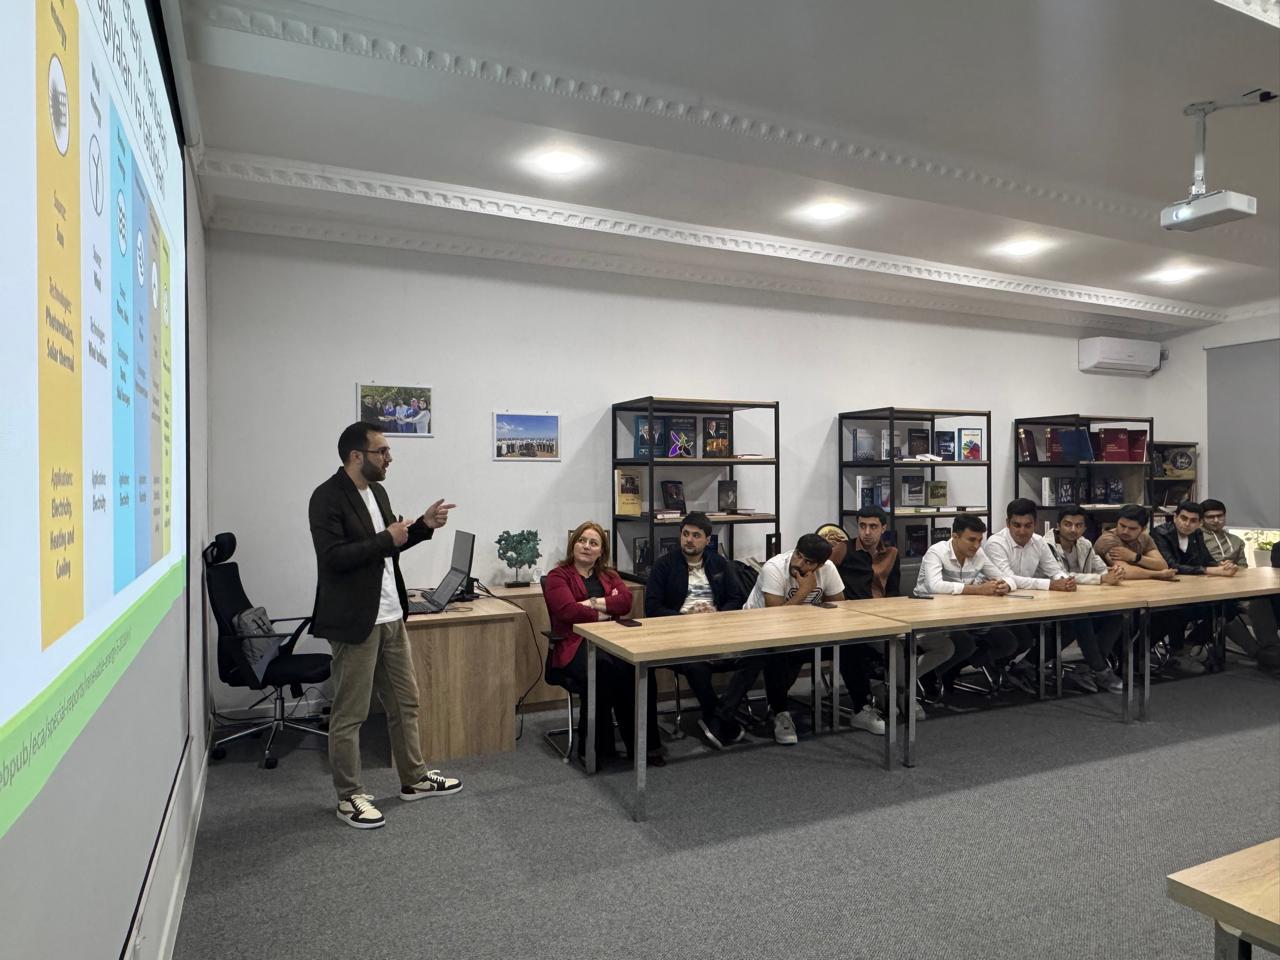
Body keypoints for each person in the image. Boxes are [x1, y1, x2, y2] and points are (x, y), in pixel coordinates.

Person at [308, 421, 461, 830]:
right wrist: (386, 538)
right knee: (350, 713)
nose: (389, 458)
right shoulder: (326, 497)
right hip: (355, 620)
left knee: (405, 703)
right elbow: (333, 558)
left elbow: (393, 542)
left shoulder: (377, 492)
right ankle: (349, 796)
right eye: (382, 452)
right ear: (356, 456)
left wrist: (423, 525)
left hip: (392, 615)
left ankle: (414, 779)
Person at [725, 534, 885, 743]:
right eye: (798, 555)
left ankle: (860, 708)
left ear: (820, 565)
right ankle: (780, 713)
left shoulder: (828, 569)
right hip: (761, 633)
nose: (799, 563)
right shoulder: (774, 568)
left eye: (808, 562)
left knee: (850, 645)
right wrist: (805, 591)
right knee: (777, 648)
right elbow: (775, 618)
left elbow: (839, 608)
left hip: (805, 632)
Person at [544, 521, 662, 765]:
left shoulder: (609, 575)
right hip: (574, 643)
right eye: (581, 540)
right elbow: (567, 611)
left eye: (593, 543)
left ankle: (644, 747)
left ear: (601, 552)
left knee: (639, 668)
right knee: (602, 670)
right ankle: (594, 748)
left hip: (612, 639)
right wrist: (603, 610)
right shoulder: (558, 576)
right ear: (573, 544)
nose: (586, 546)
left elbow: (625, 603)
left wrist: (591, 603)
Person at [819, 511, 951, 719]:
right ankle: (903, 696)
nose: (866, 532)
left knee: (945, 646)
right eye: (862, 526)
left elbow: (893, 593)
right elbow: (823, 576)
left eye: (872, 526)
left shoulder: (891, 554)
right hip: (856, 620)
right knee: (895, 647)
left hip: (887, 616)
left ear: (883, 528)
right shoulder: (844, 549)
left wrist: (898, 615)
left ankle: (891, 686)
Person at [644, 512, 747, 749]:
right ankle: (715, 715)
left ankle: (722, 714)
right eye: (685, 534)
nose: (689, 539)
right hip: (680, 633)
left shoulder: (719, 563)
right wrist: (685, 618)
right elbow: (652, 607)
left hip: (717, 630)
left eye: (696, 535)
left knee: (756, 656)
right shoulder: (664, 565)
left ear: (707, 540)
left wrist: (716, 615)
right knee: (696, 665)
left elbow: (736, 598)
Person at [913, 514, 1021, 694]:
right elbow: (935, 586)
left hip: (965, 616)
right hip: (931, 618)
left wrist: (1005, 585)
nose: (976, 545)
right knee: (966, 644)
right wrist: (978, 590)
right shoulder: (937, 552)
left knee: (1007, 641)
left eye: (980, 540)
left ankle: (946, 671)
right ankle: (928, 675)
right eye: (971, 540)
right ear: (955, 536)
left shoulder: (978, 553)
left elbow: (1005, 577)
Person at [983, 498, 1077, 693]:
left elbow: (1054, 570)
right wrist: (1051, 584)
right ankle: (999, 666)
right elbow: (1008, 579)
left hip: (1029, 605)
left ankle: (1025, 666)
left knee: (1070, 625)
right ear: (1007, 523)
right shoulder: (995, 543)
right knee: (1023, 638)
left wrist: (1065, 580)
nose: (1022, 531)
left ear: (1035, 523)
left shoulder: (1039, 541)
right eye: (1016, 525)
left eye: (1028, 525)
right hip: (997, 606)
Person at [1046, 505, 1128, 693]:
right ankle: (1100, 670)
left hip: (1082, 600)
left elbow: (1101, 569)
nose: (1073, 529)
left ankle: (1087, 667)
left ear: (1084, 527)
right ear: (1058, 525)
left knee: (1117, 615)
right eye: (1068, 524)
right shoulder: (1045, 545)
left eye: (1078, 525)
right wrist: (1101, 579)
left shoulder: (1085, 544)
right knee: (1081, 619)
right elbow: (1061, 575)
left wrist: (1114, 572)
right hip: (1052, 604)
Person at [1150, 501, 1236, 671]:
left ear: (1200, 523)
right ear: (1175, 517)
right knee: (1176, 610)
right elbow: (1171, 565)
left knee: (1228, 607)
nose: (1187, 524)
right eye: (1183, 518)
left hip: (1193, 589)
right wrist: (1209, 570)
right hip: (1166, 591)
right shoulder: (1160, 533)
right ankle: (1177, 652)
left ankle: (1190, 644)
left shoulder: (1196, 534)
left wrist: (1221, 566)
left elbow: (1206, 559)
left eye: (1193, 520)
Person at [1201, 498, 1280, 662]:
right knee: (1223, 608)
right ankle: (1256, 652)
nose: (1216, 520)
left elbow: (1244, 568)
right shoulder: (1196, 540)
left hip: (1236, 586)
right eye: (1210, 517)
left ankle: (1272, 649)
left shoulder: (1236, 541)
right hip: (1207, 589)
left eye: (1220, 516)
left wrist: (1235, 568)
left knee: (1260, 600)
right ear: (1202, 519)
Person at [1092, 505, 1177, 582]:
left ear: (1143, 529)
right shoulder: (1108, 540)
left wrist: (1134, 557)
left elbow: (1162, 565)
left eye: (1132, 528)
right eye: (1122, 526)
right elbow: (1124, 571)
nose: (1125, 531)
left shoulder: (1144, 538)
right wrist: (1158, 574)